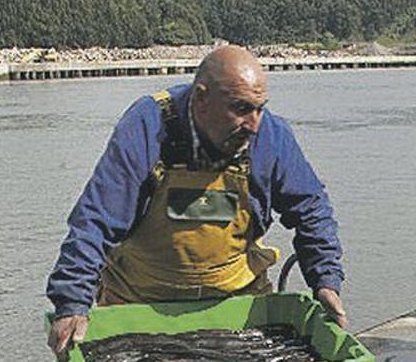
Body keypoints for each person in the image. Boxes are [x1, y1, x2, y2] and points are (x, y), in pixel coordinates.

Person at [46, 46, 347, 360]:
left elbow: (311, 209)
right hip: (138, 306)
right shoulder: (148, 126)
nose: (254, 123)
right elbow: (95, 219)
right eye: (241, 108)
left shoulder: (270, 136)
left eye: (260, 108)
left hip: (238, 307)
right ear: (201, 98)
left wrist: (325, 279)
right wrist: (72, 301)